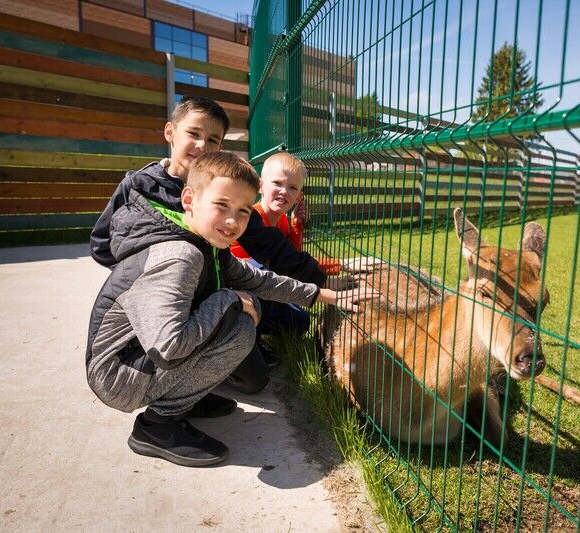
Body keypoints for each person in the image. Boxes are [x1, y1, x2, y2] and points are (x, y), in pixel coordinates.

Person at [85, 152, 376, 467]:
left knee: (239, 319)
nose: (232, 221)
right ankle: (156, 426)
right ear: (188, 199)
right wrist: (229, 299)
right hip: (118, 377)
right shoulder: (180, 256)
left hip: (136, 358)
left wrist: (327, 296)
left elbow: (260, 280)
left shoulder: (205, 243)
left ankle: (182, 399)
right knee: (238, 325)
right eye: (221, 205)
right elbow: (168, 349)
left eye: (242, 211)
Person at [88, 95, 324, 400]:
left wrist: (320, 285)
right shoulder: (138, 186)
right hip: (171, 302)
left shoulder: (223, 190)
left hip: (208, 295)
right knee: (197, 344)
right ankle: (168, 404)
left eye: (213, 139)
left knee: (256, 372)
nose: (202, 145)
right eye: (194, 134)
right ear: (170, 132)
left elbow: (262, 254)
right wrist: (144, 278)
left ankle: (194, 382)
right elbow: (101, 243)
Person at [230, 152, 382, 362]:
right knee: (259, 270)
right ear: (260, 186)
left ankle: (261, 333)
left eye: (293, 188)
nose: (284, 191)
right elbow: (283, 262)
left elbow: (292, 257)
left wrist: (296, 226)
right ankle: (246, 343)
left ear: (299, 196)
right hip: (242, 289)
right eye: (277, 183)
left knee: (300, 322)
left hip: (268, 289)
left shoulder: (281, 220)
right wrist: (336, 269)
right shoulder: (252, 218)